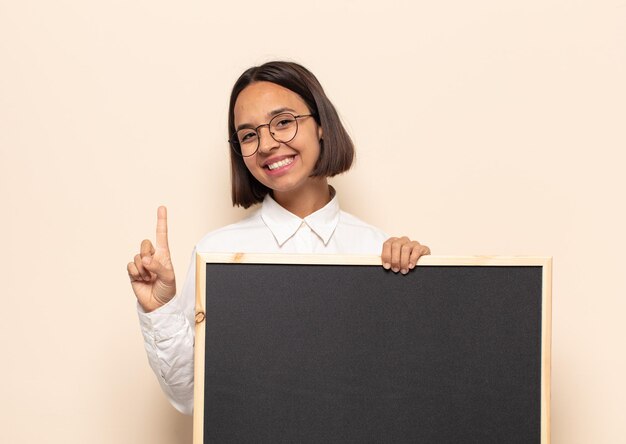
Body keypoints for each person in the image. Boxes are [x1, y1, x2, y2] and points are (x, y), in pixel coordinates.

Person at [127, 61, 431, 415]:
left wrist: (428, 287)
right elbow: (191, 398)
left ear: (320, 125)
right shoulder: (217, 253)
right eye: (249, 135)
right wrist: (159, 308)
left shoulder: (378, 251)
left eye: (283, 122)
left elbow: (406, 390)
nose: (268, 144)